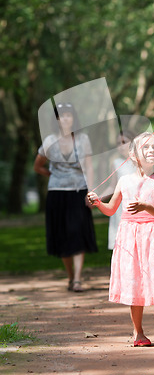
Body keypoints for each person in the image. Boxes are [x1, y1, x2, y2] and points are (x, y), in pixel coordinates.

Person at [88, 131, 154, 347]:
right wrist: (97, 203)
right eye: (146, 147)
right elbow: (111, 209)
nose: (152, 150)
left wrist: (145, 206)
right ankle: (138, 333)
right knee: (135, 285)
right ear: (133, 155)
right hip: (130, 239)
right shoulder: (124, 181)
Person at [34, 103, 98, 292]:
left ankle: (78, 278)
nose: (66, 119)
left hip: (78, 191)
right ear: (57, 120)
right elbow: (37, 166)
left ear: (73, 118)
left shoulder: (83, 139)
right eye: (62, 116)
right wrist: (52, 176)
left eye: (69, 115)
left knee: (77, 234)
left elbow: (89, 167)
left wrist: (91, 191)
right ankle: (70, 276)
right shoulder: (49, 141)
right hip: (56, 194)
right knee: (62, 236)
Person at [105, 132, 135, 250]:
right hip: (121, 207)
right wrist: (98, 198)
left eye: (124, 142)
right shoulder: (116, 163)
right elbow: (113, 186)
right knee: (122, 246)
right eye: (118, 143)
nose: (121, 146)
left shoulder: (141, 162)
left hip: (136, 205)